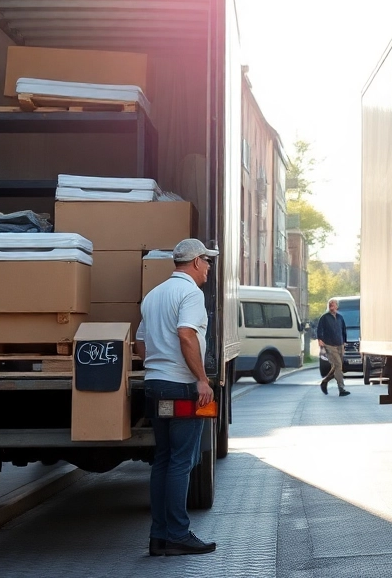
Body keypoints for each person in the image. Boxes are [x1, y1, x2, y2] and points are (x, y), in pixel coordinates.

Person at [134, 238, 219, 557]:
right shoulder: (191, 294)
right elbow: (186, 334)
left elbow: (140, 340)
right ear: (195, 262)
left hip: (156, 385)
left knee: (164, 459)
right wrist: (201, 380)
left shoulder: (154, 295)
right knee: (182, 461)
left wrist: (157, 363)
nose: (209, 268)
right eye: (207, 262)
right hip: (183, 386)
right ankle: (178, 534)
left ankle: (159, 535)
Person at [316, 299, 351, 397]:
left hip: (340, 344)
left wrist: (344, 342)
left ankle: (325, 381)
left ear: (337, 306)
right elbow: (319, 330)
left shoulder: (340, 317)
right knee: (338, 365)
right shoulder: (324, 317)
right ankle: (341, 389)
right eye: (330, 305)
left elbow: (343, 330)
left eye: (333, 305)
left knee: (337, 367)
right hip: (329, 345)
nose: (332, 306)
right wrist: (320, 340)